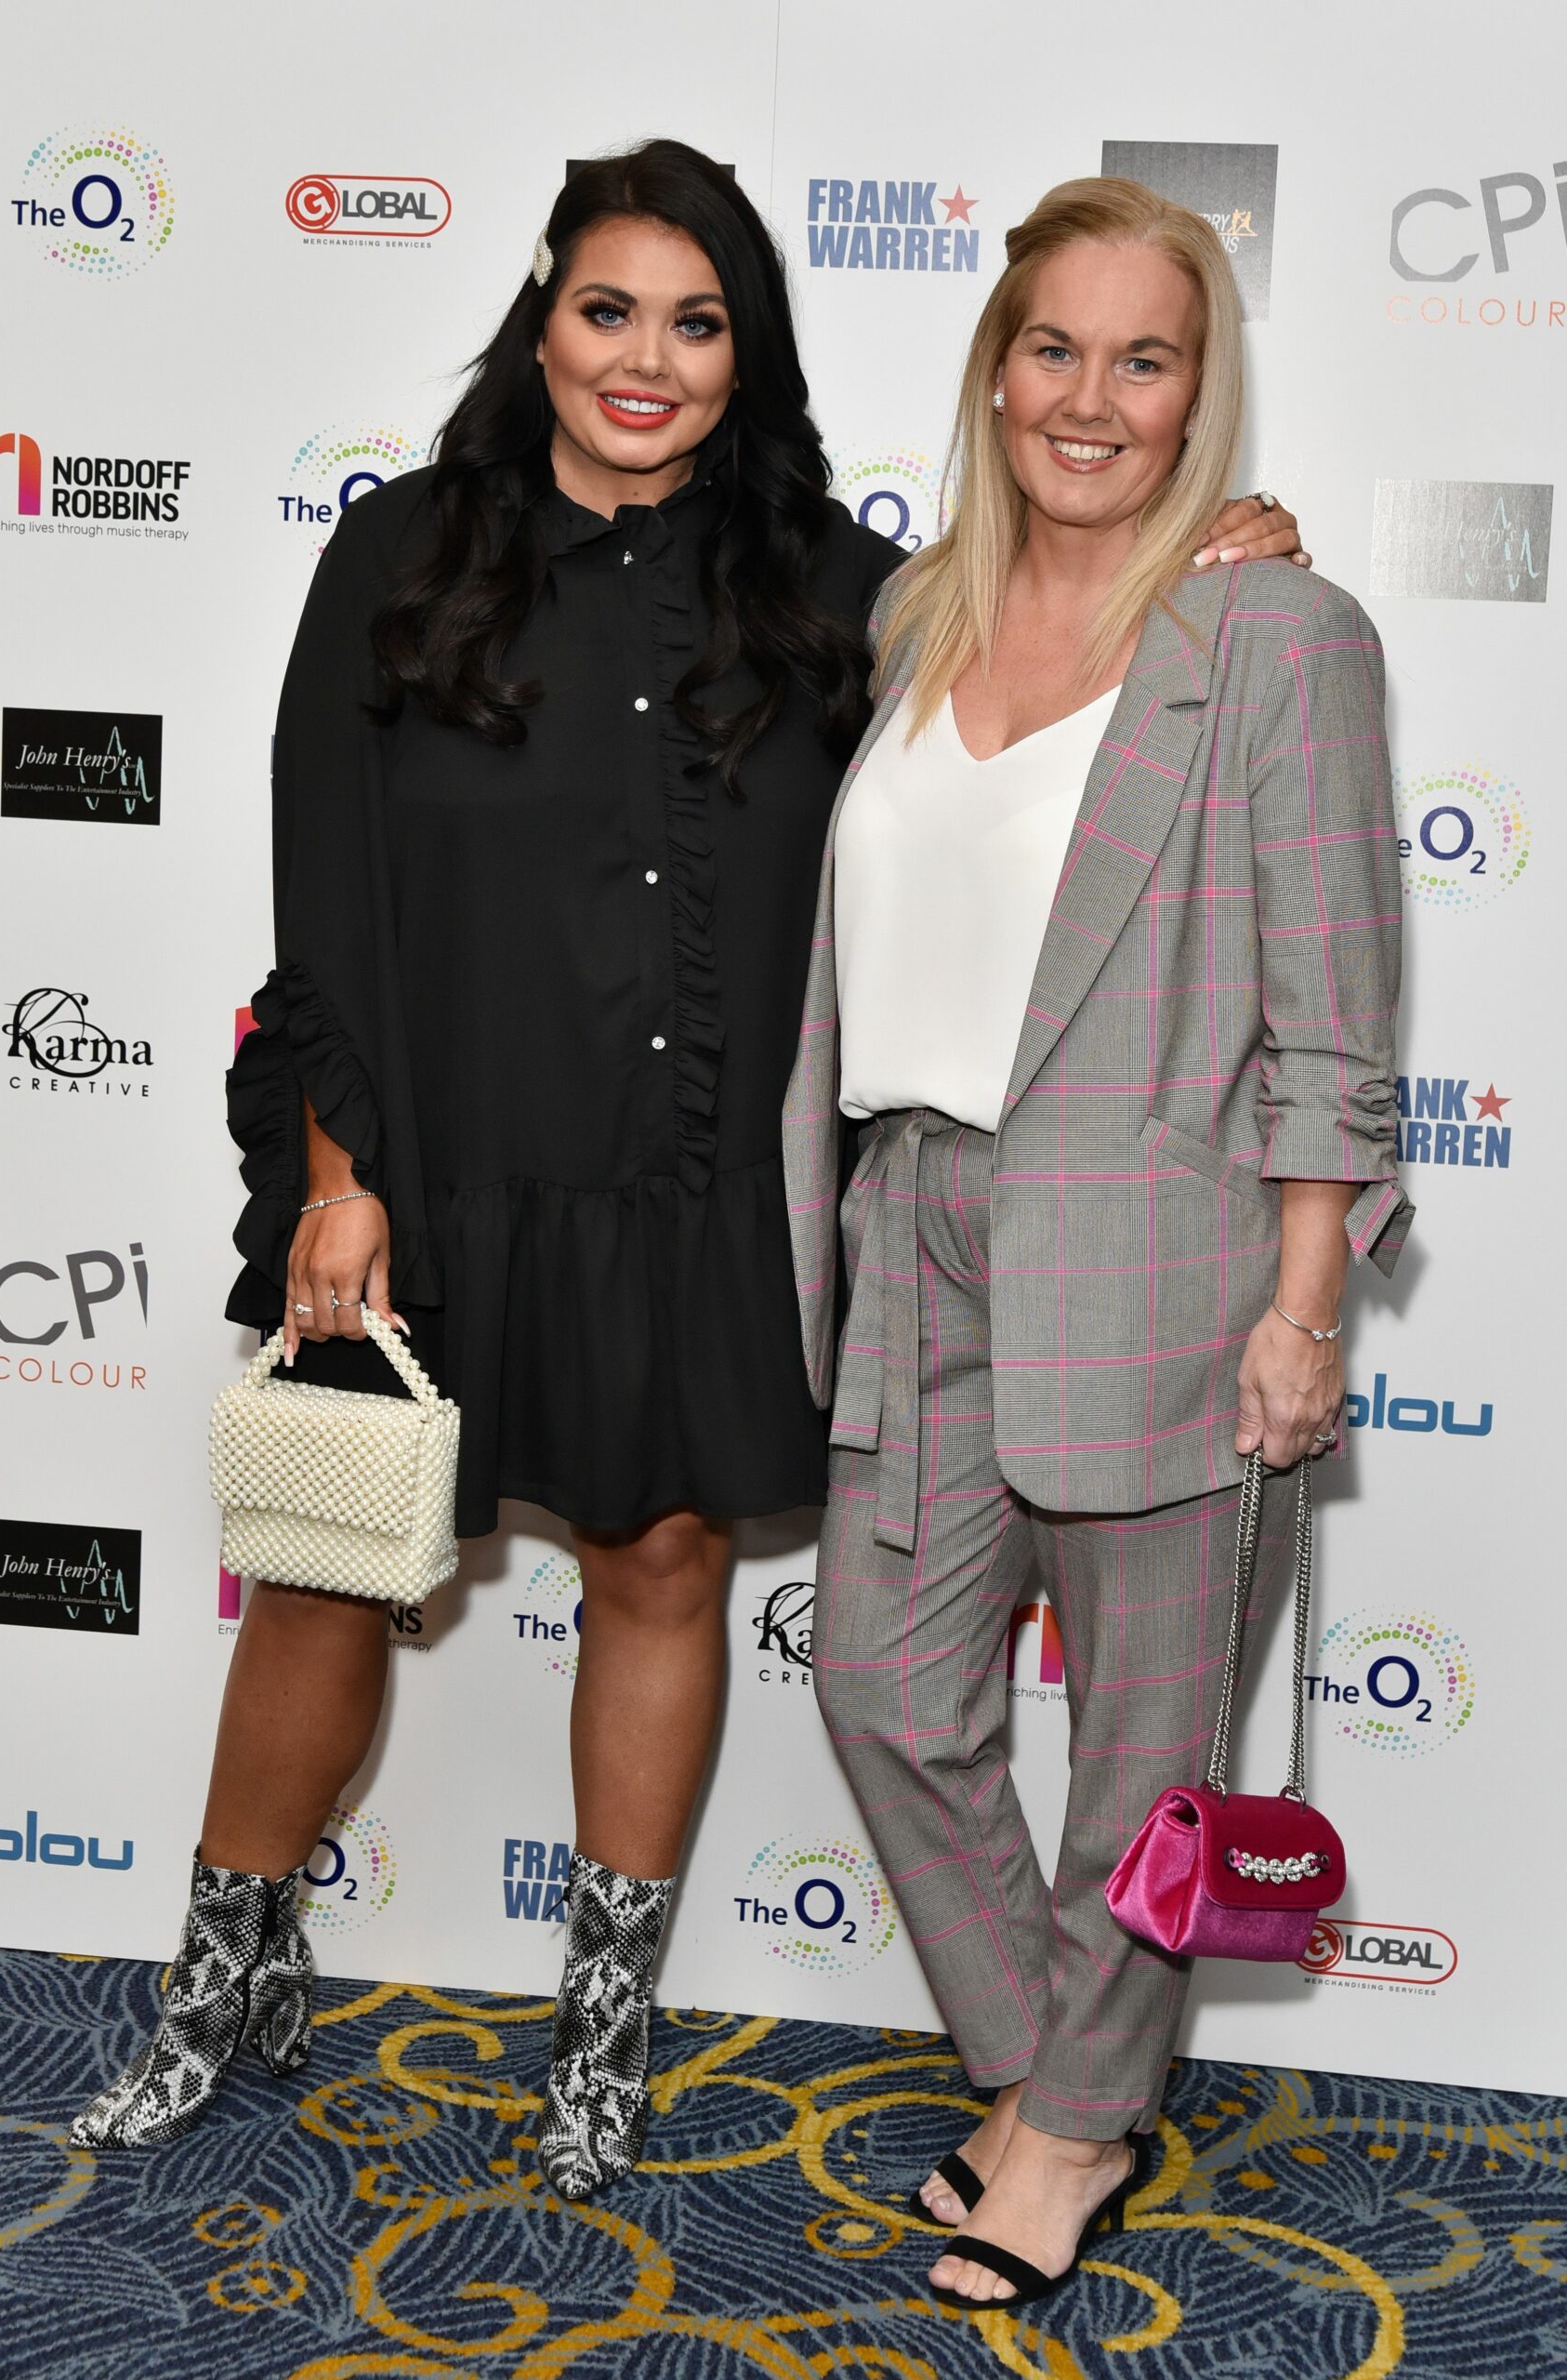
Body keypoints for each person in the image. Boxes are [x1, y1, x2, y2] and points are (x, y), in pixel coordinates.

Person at [69, 143, 1310, 2186]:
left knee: (659, 1566)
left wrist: (1201, 552)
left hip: (694, 1185)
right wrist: (335, 1168)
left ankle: (598, 2037)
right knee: (318, 1570)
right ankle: (223, 1981)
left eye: (696, 321)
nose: (643, 360)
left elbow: (1047, 645)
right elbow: (328, 895)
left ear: (749, 352)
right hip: (430, 1170)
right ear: (543, 314)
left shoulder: (842, 590)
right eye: (607, 309)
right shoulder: (394, 555)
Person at [783, 175, 1411, 2307]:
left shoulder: (1268, 634)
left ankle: (1059, 2131)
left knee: (1141, 1756)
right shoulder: (919, 614)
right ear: (990, 366)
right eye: (1050, 345)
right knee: (878, 1680)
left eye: (1142, 358)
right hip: (912, 1215)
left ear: (1195, 392)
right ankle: (1065, 2063)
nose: (1089, 395)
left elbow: (1332, 1004)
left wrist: (1303, 1299)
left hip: (1164, 1244)